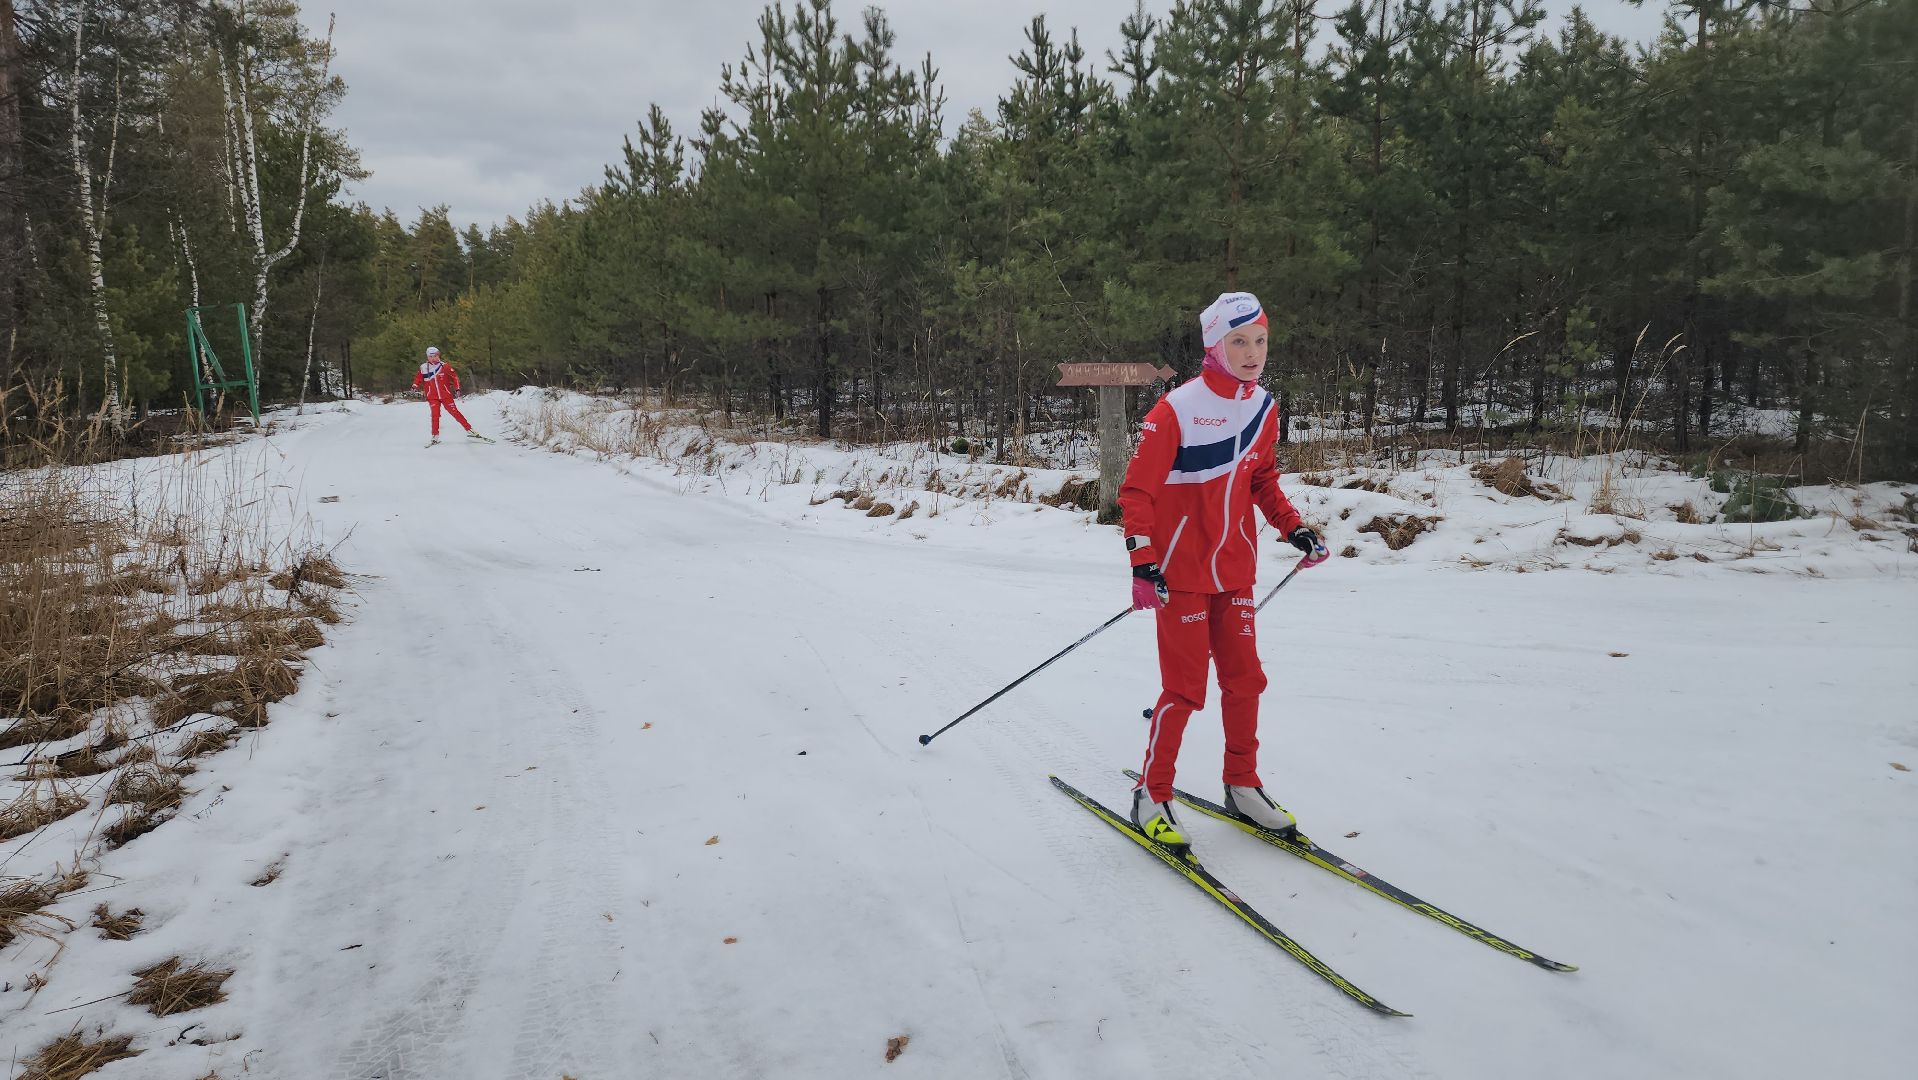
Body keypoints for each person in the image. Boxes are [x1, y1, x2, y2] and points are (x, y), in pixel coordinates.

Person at [1118, 291, 1329, 853]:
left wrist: (1292, 526)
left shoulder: (1263, 407)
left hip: (1234, 570)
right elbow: (1135, 491)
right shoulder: (1176, 409)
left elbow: (1262, 480)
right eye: (1239, 341)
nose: (1253, 352)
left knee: (1245, 680)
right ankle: (1151, 794)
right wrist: (1143, 560)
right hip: (1181, 573)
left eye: (1260, 340)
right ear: (1215, 344)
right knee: (1184, 691)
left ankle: (1242, 784)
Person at [412, 346, 480, 444]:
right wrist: (414, 386)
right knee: (435, 415)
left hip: (446, 395)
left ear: (438, 355)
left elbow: (455, 377)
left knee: (455, 412)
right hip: (432, 396)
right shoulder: (423, 368)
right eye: (431, 356)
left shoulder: (445, 366)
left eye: (435, 356)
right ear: (427, 357)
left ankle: (470, 430)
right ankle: (435, 436)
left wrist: (457, 388)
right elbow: (418, 378)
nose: (433, 358)